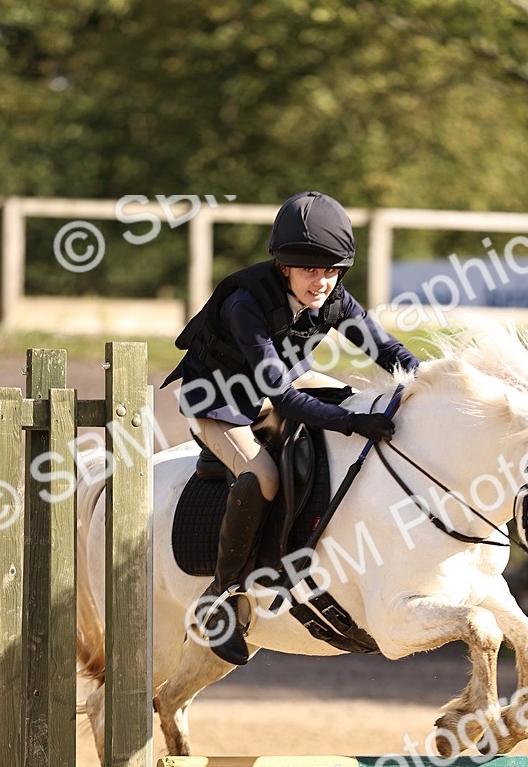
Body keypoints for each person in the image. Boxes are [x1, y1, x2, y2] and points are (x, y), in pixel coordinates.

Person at [164, 189, 420, 667]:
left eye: (331, 271)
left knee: (352, 397)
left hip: (279, 379)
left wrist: (432, 385)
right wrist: (352, 423)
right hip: (218, 399)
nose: (321, 282)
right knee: (264, 476)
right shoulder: (246, 304)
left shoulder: (334, 297)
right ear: (284, 267)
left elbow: (389, 352)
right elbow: (284, 399)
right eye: (309, 271)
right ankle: (221, 598)